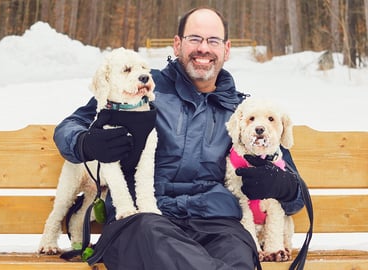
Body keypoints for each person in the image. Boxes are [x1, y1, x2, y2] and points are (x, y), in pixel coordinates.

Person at [53, 7, 305, 270]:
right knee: (151, 237)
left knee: (237, 252)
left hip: (218, 223)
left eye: (213, 41)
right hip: (145, 217)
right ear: (177, 44)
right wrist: (85, 142)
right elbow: (69, 127)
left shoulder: (244, 113)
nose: (203, 48)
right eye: (194, 39)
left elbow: (295, 194)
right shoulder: (141, 86)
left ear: (226, 49)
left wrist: (283, 186)